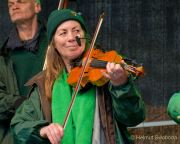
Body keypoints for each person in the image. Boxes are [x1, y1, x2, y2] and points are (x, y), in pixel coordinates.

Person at [11, 9, 146, 144]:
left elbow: (134, 117)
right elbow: (18, 127)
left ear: (84, 35)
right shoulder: (44, 83)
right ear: (54, 43)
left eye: (76, 31)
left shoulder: (105, 75)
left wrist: (121, 85)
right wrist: (42, 130)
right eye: (63, 33)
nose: (71, 38)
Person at [0, 0, 47, 143]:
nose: (14, 6)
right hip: (12, 138)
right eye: (10, 4)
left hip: (51, 132)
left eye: (20, 1)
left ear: (37, 6)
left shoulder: (56, 44)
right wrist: (20, 103)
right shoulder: (3, 56)